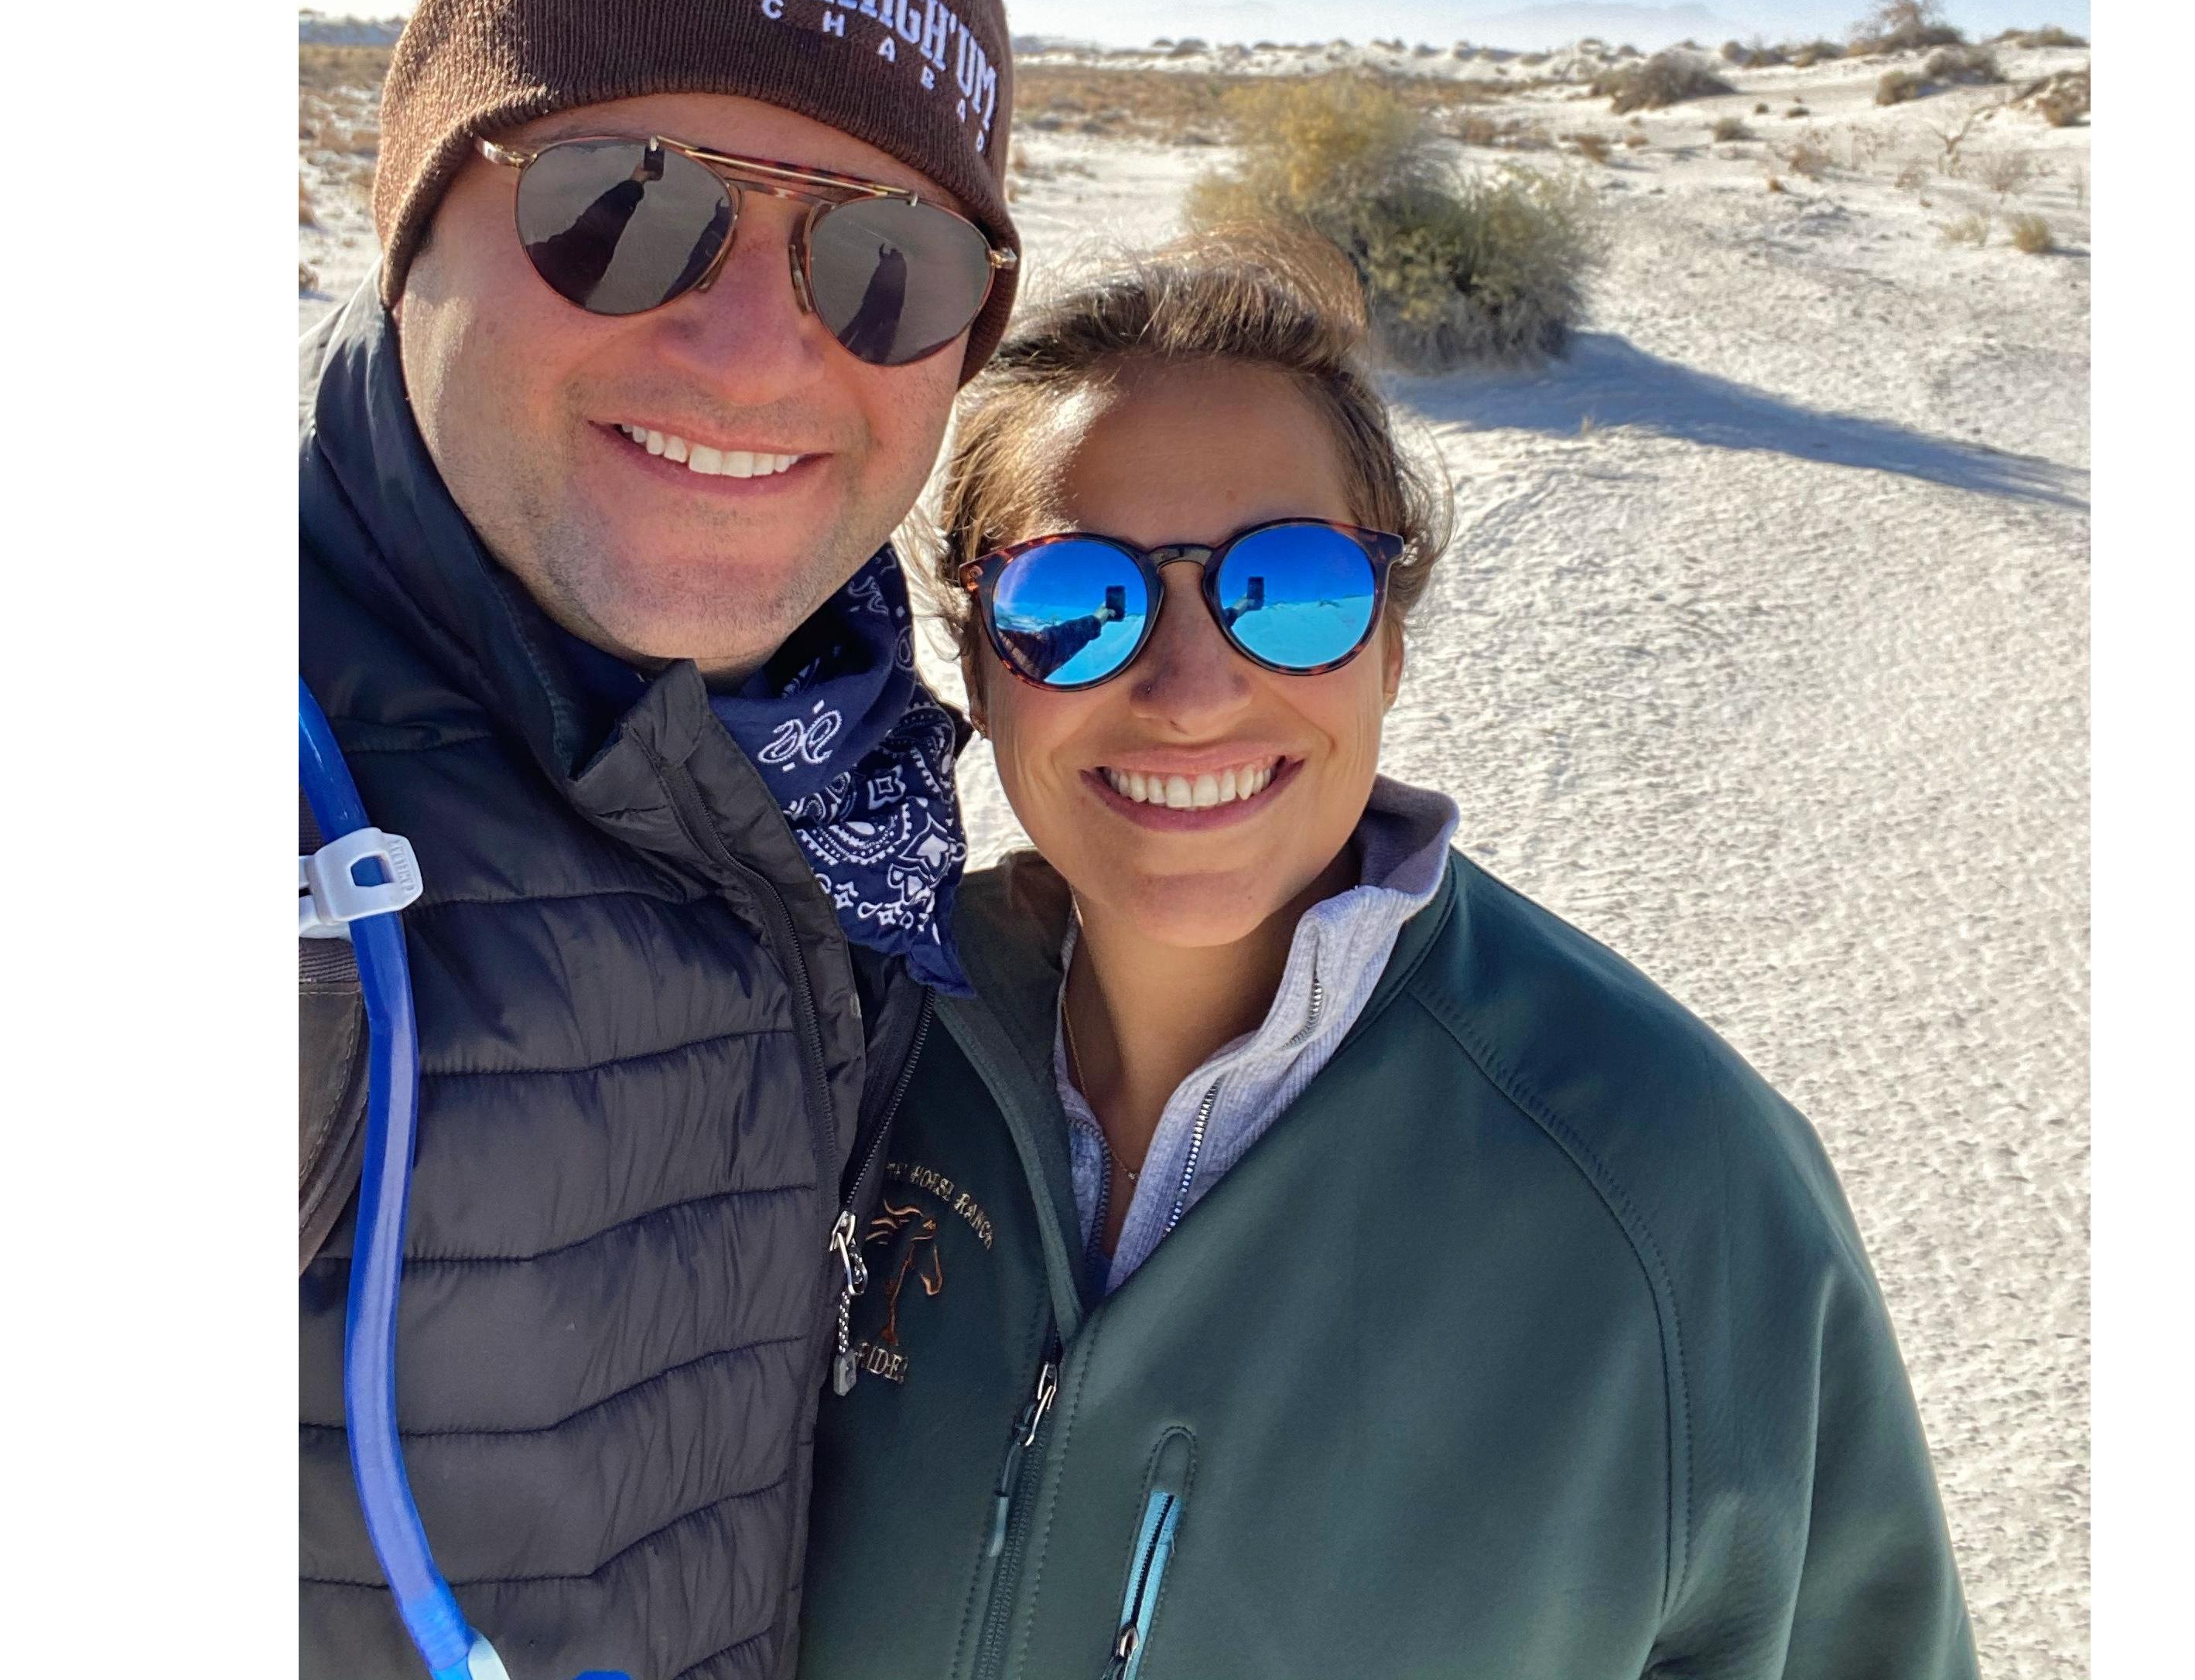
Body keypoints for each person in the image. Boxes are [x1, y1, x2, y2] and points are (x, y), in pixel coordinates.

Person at [796, 236, 1978, 1679]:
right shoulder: (861, 1046)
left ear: (1391, 648)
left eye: (1289, 590)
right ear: (982, 665)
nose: (1189, 691)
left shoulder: (1678, 1192)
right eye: (1073, 602)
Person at [299, 0, 1022, 1677]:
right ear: (412, 213)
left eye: (887, 260)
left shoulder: (845, 745)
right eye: (625, 207)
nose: (756, 347)